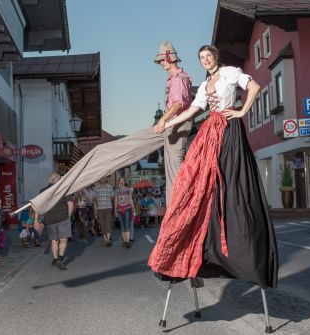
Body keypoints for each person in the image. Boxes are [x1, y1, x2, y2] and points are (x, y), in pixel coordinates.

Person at [147, 45, 278, 289]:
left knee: (230, 183)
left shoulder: (229, 72)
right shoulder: (206, 84)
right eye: (202, 58)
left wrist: (241, 112)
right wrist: (167, 122)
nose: (206, 60)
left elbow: (254, 87)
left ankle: (239, 247)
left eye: (209, 56)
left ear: (216, 57)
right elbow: (194, 110)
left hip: (229, 130)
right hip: (210, 131)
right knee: (195, 181)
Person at [30, 41, 193, 217]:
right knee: (109, 150)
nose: (161, 64)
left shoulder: (180, 79)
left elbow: (178, 103)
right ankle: (175, 215)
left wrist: (162, 119)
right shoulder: (174, 79)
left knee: (174, 175)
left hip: (174, 129)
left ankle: (179, 216)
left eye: (162, 60)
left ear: (170, 58)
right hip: (168, 129)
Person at [40, 172, 74, 270]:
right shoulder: (64, 189)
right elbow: (70, 204)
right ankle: (60, 258)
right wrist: (69, 216)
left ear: (49, 179)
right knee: (63, 239)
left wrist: (38, 219)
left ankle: (55, 259)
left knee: (54, 240)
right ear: (59, 179)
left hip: (50, 218)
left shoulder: (43, 191)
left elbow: (39, 205)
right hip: (63, 217)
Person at [93, 177, 115, 247]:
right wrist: (95, 209)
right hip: (100, 209)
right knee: (102, 224)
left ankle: (108, 240)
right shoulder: (96, 188)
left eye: (104, 178)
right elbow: (94, 199)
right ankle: (105, 239)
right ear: (99, 179)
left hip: (108, 208)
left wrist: (112, 207)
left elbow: (112, 198)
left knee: (108, 223)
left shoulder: (110, 187)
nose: (102, 180)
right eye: (101, 178)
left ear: (106, 179)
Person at [114, 177, 136, 248]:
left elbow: (130, 200)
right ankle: (124, 240)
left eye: (123, 181)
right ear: (118, 182)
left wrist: (133, 209)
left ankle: (127, 241)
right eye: (120, 181)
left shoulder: (128, 189)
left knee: (127, 225)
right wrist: (115, 211)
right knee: (122, 225)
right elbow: (116, 201)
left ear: (124, 182)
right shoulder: (117, 190)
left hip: (127, 208)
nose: (121, 182)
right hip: (119, 210)